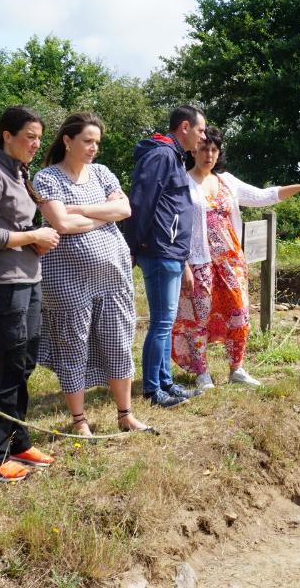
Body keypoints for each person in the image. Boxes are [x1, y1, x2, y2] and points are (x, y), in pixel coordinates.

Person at [172, 126, 300, 388]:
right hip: (199, 262)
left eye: (214, 150)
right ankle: (202, 373)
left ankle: (237, 368)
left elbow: (263, 195)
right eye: (204, 148)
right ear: (194, 150)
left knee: (239, 312)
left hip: (231, 260)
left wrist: (299, 187)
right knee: (199, 317)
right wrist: (183, 263)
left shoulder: (227, 181)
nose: (209, 154)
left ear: (219, 154)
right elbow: (177, 227)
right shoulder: (183, 183)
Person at [32, 112, 151, 435]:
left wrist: (79, 210)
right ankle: (79, 421)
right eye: (87, 141)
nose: (93, 147)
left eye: (97, 142)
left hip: (113, 278)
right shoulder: (47, 179)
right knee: (74, 347)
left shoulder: (102, 173)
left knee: (118, 342)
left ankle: (125, 414)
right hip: (66, 280)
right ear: (67, 141)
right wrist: (102, 215)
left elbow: (124, 210)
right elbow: (61, 224)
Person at [0, 105, 60, 483]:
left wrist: (33, 242)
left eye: (39, 137)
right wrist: (33, 236)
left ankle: (17, 439)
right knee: (5, 366)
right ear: (7, 135)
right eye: (29, 137)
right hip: (0, 284)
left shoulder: (19, 172)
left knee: (24, 362)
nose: (36, 144)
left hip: (28, 278)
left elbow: (13, 225)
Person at [123, 105, 207, 407]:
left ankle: (166, 383)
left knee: (166, 321)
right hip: (159, 250)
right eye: (200, 130)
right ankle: (152, 389)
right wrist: (132, 247)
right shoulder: (161, 156)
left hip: (169, 251)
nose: (203, 136)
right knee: (161, 321)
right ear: (184, 127)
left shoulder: (172, 156)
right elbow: (141, 203)